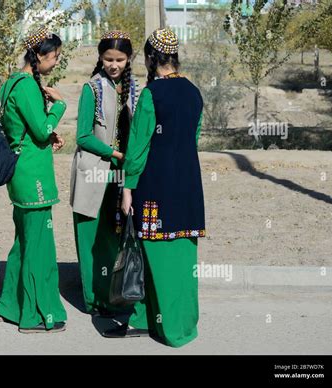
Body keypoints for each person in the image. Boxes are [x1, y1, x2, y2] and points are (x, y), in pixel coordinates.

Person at [103, 29, 206, 347]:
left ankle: (172, 330)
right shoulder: (194, 92)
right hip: (188, 186)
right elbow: (194, 137)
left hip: (156, 188)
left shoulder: (151, 95)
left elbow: (137, 148)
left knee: (157, 260)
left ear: (150, 58)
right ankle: (154, 320)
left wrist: (128, 187)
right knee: (180, 261)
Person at [0, 26, 68, 334]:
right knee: (39, 246)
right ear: (38, 56)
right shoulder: (26, 86)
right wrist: (59, 107)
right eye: (54, 57)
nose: (56, 62)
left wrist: (48, 133)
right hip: (33, 175)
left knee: (23, 243)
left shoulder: (11, 82)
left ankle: (9, 306)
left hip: (20, 172)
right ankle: (37, 316)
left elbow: (22, 129)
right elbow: (38, 130)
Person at [69, 30, 140, 316]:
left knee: (114, 236)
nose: (113, 64)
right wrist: (113, 153)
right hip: (93, 173)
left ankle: (114, 295)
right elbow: (83, 136)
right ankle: (93, 302)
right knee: (90, 240)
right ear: (100, 57)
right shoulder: (92, 88)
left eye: (119, 59)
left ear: (128, 59)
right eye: (108, 59)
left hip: (120, 176)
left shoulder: (133, 88)